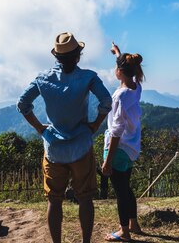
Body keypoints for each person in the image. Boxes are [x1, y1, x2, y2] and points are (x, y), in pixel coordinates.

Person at [17, 32, 112, 243]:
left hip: (54, 149)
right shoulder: (88, 77)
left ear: (56, 57)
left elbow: (22, 104)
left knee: (54, 200)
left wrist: (40, 129)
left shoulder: (43, 79)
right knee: (85, 198)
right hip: (81, 146)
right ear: (78, 56)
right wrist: (95, 124)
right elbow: (106, 101)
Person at [102, 42, 144, 242]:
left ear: (119, 71)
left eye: (116, 67)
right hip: (130, 148)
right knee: (126, 187)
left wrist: (107, 160)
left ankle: (124, 232)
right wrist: (118, 53)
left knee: (121, 192)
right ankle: (134, 224)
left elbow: (116, 131)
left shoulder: (120, 96)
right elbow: (127, 69)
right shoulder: (136, 87)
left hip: (117, 149)